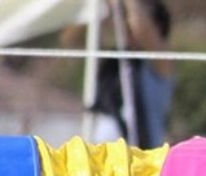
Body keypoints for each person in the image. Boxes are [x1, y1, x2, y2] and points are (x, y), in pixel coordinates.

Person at [68, 0, 174, 148]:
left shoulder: (161, 62)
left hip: (139, 156)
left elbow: (142, 29)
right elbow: (72, 39)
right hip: (100, 153)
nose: (127, 23)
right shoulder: (114, 59)